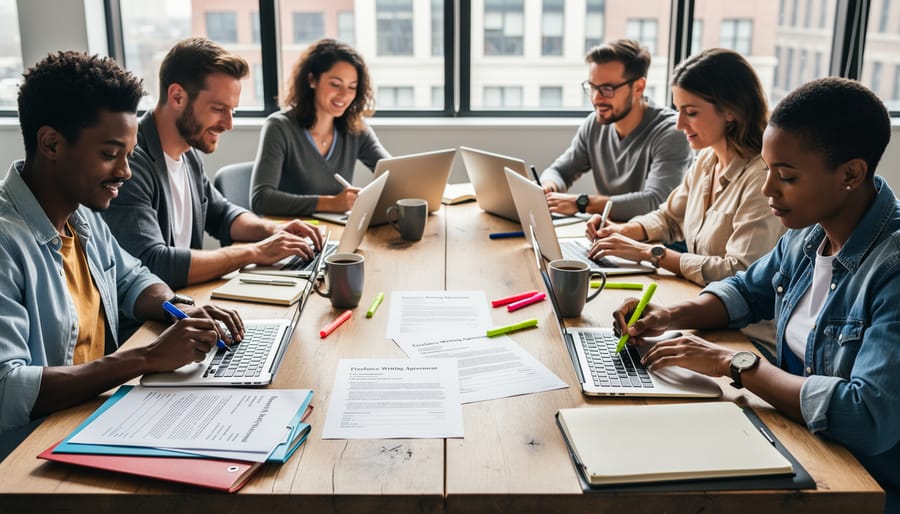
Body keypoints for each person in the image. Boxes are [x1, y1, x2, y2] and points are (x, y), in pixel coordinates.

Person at [613, 78, 899, 512]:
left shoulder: (891, 269)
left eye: (786, 176)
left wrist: (733, 363)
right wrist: (667, 317)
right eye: (767, 170)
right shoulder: (807, 235)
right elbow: (747, 290)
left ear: (851, 174)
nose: (768, 190)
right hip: (796, 441)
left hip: (862, 484)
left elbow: (869, 417)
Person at [0, 51, 244, 458]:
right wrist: (147, 356)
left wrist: (180, 310)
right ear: (51, 143)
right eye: (110, 154)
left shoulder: (82, 215)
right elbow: (8, 390)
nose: (126, 172)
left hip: (96, 417)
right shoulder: (7, 242)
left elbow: (133, 279)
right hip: (28, 452)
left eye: (129, 154)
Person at [103, 37, 323, 291]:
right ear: (177, 97)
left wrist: (275, 230)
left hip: (187, 301)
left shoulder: (188, 153)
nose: (228, 124)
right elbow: (154, 263)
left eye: (233, 110)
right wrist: (254, 252)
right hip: (148, 321)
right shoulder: (131, 163)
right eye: (218, 108)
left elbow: (221, 214)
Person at [584, 48, 785, 287]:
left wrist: (651, 253)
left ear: (731, 111)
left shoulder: (761, 178)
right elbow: (670, 218)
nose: (679, 124)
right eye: (678, 110)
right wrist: (622, 231)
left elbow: (739, 270)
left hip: (738, 322)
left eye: (690, 112)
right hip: (696, 296)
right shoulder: (707, 160)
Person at [538, 39, 692, 220]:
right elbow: (560, 171)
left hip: (656, 242)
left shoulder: (672, 132)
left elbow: (655, 202)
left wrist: (581, 203)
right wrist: (548, 185)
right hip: (609, 233)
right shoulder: (594, 124)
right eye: (593, 87)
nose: (596, 98)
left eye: (607, 89)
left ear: (638, 87)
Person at [250, 38, 390, 216]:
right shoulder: (279, 127)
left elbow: (393, 172)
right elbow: (261, 199)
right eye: (335, 84)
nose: (344, 95)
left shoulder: (356, 129)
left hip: (334, 231)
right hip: (291, 234)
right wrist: (332, 203)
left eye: (352, 87)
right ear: (312, 80)